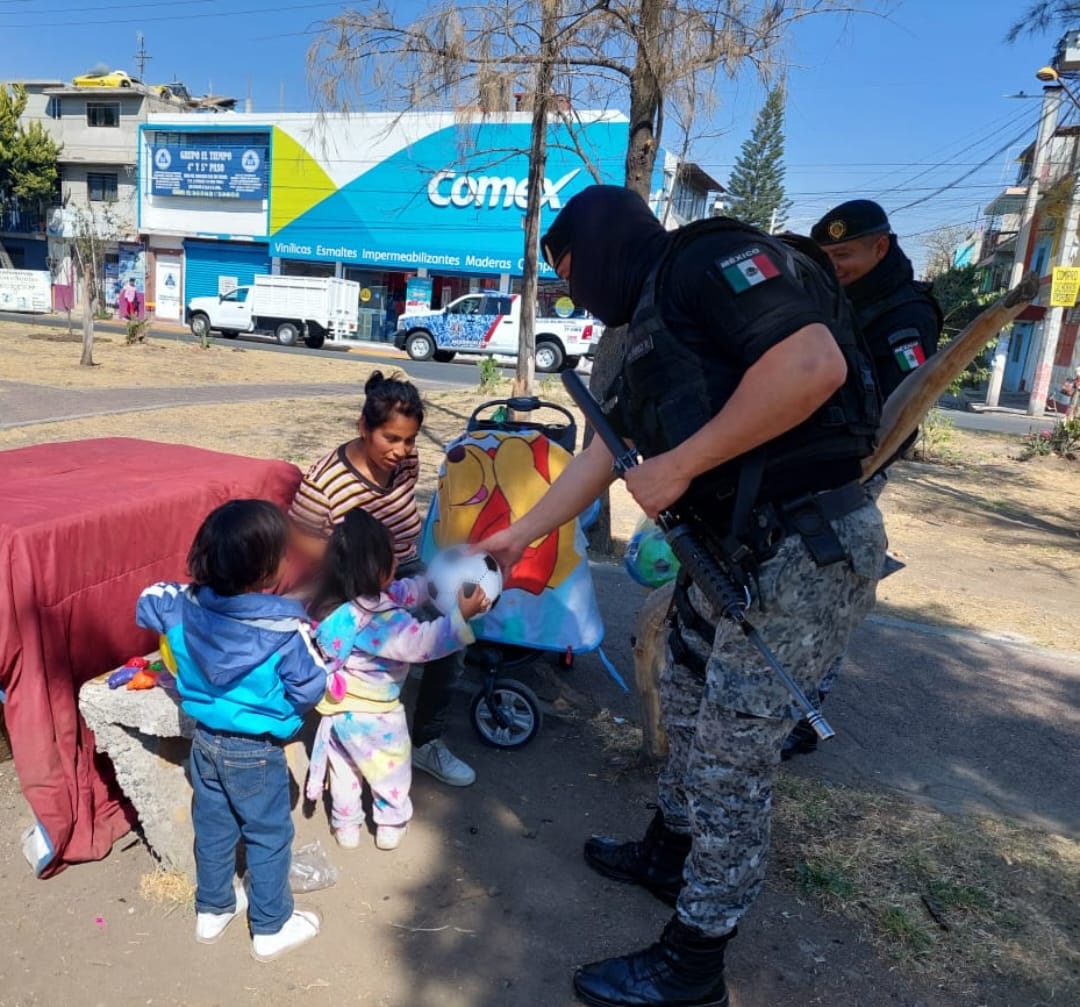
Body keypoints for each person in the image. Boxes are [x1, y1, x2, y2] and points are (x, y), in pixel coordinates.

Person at [481, 185, 887, 1007]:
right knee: (690, 708)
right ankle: (669, 852)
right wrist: (517, 535)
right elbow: (608, 451)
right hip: (732, 553)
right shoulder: (651, 323)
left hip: (801, 549)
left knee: (734, 762)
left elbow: (812, 365)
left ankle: (694, 963)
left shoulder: (703, 260)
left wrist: (682, 462)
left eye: (569, 273)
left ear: (598, 246)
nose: (575, 294)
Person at [784, 200, 943, 760]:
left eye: (844, 254)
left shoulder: (905, 314)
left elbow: (896, 411)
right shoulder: (838, 296)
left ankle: (806, 711)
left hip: (855, 469)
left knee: (825, 590)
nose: (834, 265)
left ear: (881, 246)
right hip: (808, 461)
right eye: (825, 255)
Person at [136, 499, 326, 962]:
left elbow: (147, 603)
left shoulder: (181, 606)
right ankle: (270, 925)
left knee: (215, 827)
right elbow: (312, 685)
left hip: (204, 741)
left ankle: (213, 909)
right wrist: (283, 712)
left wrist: (187, 594)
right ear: (269, 568)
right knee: (268, 835)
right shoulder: (286, 627)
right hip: (257, 749)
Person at [288, 370, 477, 787]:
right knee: (375, 648)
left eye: (409, 439)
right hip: (344, 582)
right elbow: (299, 540)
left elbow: (405, 521)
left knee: (451, 633)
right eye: (390, 438)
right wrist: (354, 569)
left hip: (402, 569)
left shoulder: (407, 463)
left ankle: (427, 741)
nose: (402, 450)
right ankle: (349, 734)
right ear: (363, 427)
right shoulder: (325, 481)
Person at [304, 509, 489, 851]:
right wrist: (460, 616)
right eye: (392, 558)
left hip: (340, 713)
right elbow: (421, 643)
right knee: (391, 771)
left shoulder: (341, 606)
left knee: (344, 770)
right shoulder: (380, 621)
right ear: (378, 569)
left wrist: (436, 578)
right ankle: (390, 825)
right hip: (377, 715)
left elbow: (407, 591)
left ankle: (346, 826)